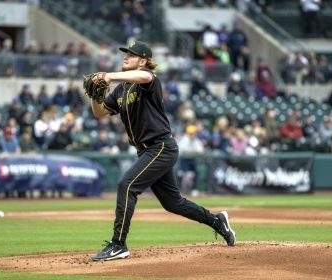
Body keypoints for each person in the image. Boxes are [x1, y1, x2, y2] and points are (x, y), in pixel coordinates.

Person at [88, 41, 236, 261]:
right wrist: (95, 95)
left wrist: (109, 76)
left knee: (126, 185)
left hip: (161, 146)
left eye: (132, 54)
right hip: (147, 151)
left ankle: (118, 244)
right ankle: (218, 222)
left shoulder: (148, 79)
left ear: (144, 60)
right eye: (126, 53)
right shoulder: (121, 88)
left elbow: (145, 77)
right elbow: (99, 113)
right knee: (173, 203)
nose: (126, 56)